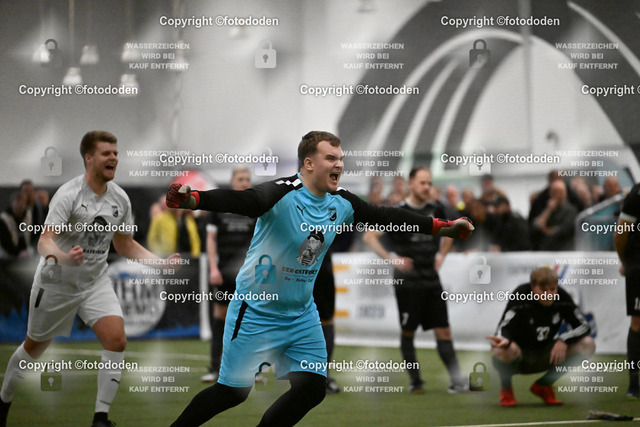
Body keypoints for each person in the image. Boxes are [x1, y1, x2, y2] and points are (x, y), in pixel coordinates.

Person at [166, 131, 473, 426]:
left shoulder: (342, 202)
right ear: (309, 163)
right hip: (256, 310)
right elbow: (241, 201)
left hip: (301, 314)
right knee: (232, 393)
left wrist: (442, 227)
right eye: (331, 158)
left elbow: (387, 216)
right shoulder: (282, 192)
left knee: (313, 388)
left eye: (340, 158)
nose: (339, 164)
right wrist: (193, 199)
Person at [0, 131, 181, 427]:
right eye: (106, 153)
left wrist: (160, 264)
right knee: (33, 347)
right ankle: (3, 401)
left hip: (95, 282)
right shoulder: (68, 194)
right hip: (56, 283)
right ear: (88, 158)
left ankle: (100, 418)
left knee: (116, 340)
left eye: (116, 153)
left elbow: (124, 245)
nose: (113, 158)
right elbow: (45, 242)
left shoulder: (120, 199)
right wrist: (63, 257)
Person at [363, 167, 467, 394]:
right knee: (408, 331)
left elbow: (451, 231)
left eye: (429, 183)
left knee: (444, 330)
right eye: (422, 183)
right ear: (411, 184)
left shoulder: (436, 209)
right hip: (408, 284)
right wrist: (392, 259)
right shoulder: (397, 212)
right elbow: (369, 236)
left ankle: (457, 381)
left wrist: (442, 254)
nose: (427, 187)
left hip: (431, 279)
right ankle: (416, 382)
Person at [488, 267, 595, 407]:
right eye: (544, 290)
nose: (549, 294)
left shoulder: (562, 298)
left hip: (547, 354)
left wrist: (563, 339)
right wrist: (505, 339)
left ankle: (544, 385)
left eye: (552, 289)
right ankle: (506, 390)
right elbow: (504, 326)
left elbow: (584, 326)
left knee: (588, 344)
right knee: (500, 349)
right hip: (520, 356)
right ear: (533, 287)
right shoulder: (521, 295)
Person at [201, 166, 256, 383]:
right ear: (232, 182)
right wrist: (213, 268)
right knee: (221, 317)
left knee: (249, 319)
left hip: (249, 274)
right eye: (241, 179)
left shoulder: (255, 209)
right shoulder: (220, 206)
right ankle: (216, 368)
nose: (244, 183)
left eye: (247, 179)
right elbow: (211, 240)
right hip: (224, 273)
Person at [614, 182, 640, 398]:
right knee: (638, 322)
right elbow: (621, 234)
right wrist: (627, 263)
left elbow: (620, 235)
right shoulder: (637, 194)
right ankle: (634, 382)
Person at [532, 180, 578, 251]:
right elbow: (537, 225)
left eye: (557, 192)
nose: (554, 194)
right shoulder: (543, 207)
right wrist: (548, 210)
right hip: (546, 249)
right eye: (552, 191)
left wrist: (546, 230)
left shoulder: (570, 210)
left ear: (563, 193)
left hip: (564, 249)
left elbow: (564, 229)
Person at [0, 192, 32, 259]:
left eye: (23, 202)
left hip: (24, 254)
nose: (21, 204)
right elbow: (5, 242)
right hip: (6, 256)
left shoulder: (27, 216)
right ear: (12, 203)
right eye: (18, 201)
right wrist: (18, 253)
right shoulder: (4, 219)